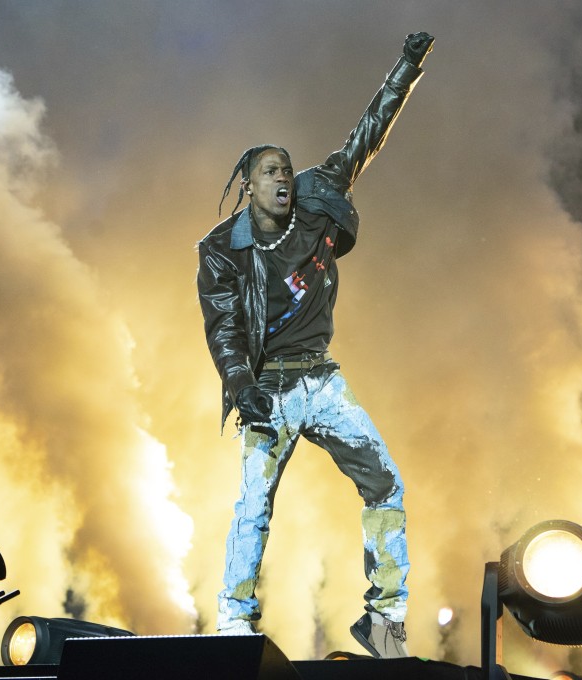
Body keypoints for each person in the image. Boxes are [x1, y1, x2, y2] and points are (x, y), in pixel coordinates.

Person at [196, 32, 434, 659]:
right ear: (249, 186)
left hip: (322, 381)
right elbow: (222, 325)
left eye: (285, 168)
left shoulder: (317, 202)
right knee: (254, 507)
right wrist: (241, 385)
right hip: (268, 389)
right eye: (268, 171)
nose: (282, 177)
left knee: (386, 483)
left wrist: (407, 67)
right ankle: (233, 627)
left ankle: (384, 625)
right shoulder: (222, 250)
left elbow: (367, 133)